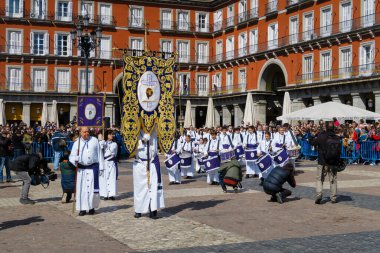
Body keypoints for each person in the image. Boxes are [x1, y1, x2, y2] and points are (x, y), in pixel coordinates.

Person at [69, 127, 104, 216]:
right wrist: (75, 160)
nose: (86, 133)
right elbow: (71, 157)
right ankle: (82, 208)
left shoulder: (94, 140)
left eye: (88, 131)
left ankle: (91, 207)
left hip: (93, 169)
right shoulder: (77, 143)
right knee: (82, 190)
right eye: (84, 132)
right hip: (82, 170)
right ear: (80, 133)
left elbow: (100, 154)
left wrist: (102, 167)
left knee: (92, 190)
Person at [133, 132, 165, 219]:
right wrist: (142, 141)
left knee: (153, 187)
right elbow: (130, 148)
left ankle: (153, 209)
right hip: (140, 163)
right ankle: (139, 209)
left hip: (152, 162)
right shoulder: (135, 131)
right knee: (140, 188)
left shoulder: (153, 131)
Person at [309, 122, 339, 204]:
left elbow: (312, 143)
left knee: (319, 179)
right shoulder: (336, 137)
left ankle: (319, 194)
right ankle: (333, 197)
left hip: (322, 161)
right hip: (333, 162)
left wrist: (311, 136)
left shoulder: (321, 136)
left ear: (325, 127)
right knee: (333, 180)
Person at [99, 130, 118, 200]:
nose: (111, 136)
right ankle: (105, 194)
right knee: (104, 178)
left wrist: (105, 145)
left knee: (111, 178)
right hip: (105, 163)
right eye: (110, 134)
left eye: (112, 134)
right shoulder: (103, 142)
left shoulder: (114, 144)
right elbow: (100, 150)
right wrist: (102, 143)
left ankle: (111, 194)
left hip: (111, 162)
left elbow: (112, 152)